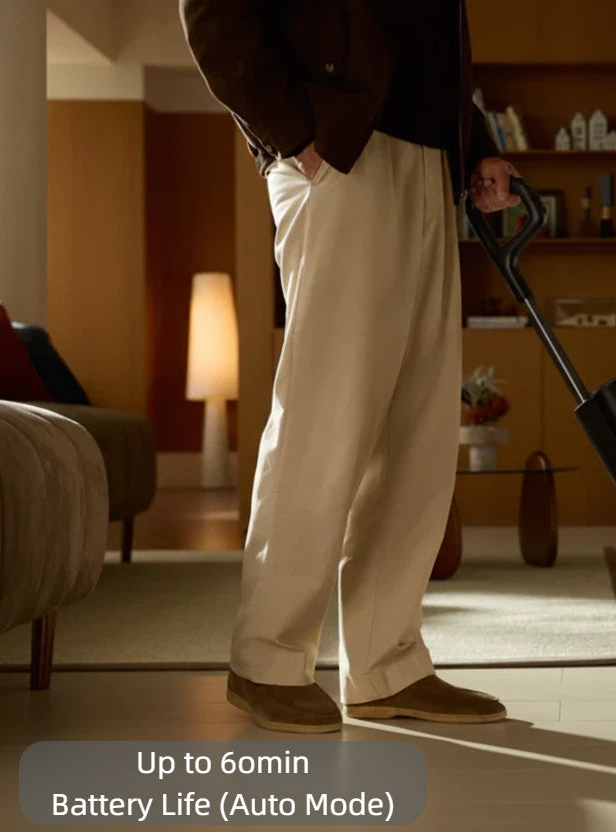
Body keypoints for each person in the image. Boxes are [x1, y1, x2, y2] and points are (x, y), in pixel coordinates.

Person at [180, 1, 521, 734]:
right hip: (337, 152)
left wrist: (476, 143)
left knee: (419, 431)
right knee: (324, 418)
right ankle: (267, 662)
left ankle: (386, 664)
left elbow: (428, 38)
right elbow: (214, 12)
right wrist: (294, 135)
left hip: (428, 157)